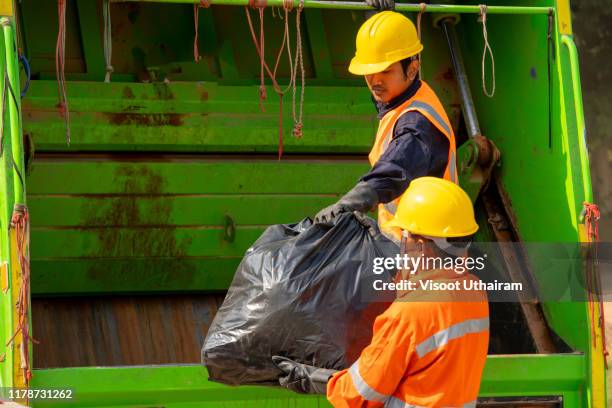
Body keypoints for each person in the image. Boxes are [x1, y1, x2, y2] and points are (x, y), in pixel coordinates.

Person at [274, 177, 490, 407]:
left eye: (405, 237)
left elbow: (361, 393)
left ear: (422, 244)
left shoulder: (409, 313)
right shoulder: (474, 292)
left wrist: (319, 381)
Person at [314, 11, 458, 243]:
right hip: (406, 240)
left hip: (423, 248)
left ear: (412, 68)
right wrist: (377, 18)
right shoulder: (404, 94)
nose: (374, 81)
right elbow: (381, 87)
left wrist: (347, 204)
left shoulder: (417, 125)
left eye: (385, 71)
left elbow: (394, 171)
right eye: (368, 73)